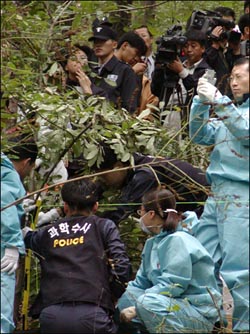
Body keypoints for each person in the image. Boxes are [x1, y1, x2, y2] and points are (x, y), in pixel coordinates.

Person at [22, 179, 131, 333]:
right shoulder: (104, 226)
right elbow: (121, 265)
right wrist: (112, 294)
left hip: (51, 317)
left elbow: (24, 237)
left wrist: (23, 215)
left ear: (65, 206)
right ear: (95, 206)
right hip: (93, 314)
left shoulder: (47, 232)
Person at [189, 57, 249, 331]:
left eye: (239, 76)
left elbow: (245, 133)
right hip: (217, 195)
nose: (233, 82)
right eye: (231, 77)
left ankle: (244, 326)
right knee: (202, 257)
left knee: (238, 267)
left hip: (242, 195)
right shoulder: (233, 111)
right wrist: (200, 102)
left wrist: (219, 100)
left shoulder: (237, 113)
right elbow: (200, 136)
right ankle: (206, 319)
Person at [116, 188, 222, 334]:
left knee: (147, 304)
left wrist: (137, 306)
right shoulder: (152, 243)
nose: (140, 218)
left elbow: (173, 284)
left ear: (151, 214)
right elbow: (140, 282)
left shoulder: (178, 240)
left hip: (195, 311)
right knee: (126, 300)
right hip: (170, 304)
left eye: (140, 212)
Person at [92, 144, 209, 225]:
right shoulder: (142, 163)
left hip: (208, 208)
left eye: (103, 176)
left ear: (118, 166)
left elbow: (122, 209)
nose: (102, 180)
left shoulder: (146, 174)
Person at [1, 135, 38, 333]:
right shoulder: (7, 172)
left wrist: (20, 209)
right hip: (2, 251)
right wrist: (12, 244)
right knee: (1, 314)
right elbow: (4, 204)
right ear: (27, 162)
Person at [151, 29, 211, 130]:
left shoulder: (206, 71)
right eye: (186, 46)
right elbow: (156, 90)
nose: (189, 49)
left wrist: (182, 72)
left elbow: (198, 94)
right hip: (166, 113)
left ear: (203, 49)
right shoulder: (173, 65)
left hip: (187, 117)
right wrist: (159, 69)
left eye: (193, 45)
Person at [88, 25, 140, 114]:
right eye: (95, 41)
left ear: (114, 44)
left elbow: (129, 107)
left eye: (103, 41)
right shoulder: (92, 71)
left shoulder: (125, 71)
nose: (98, 44)